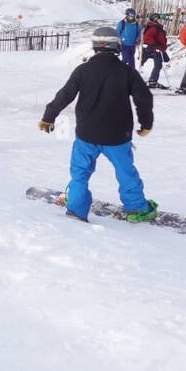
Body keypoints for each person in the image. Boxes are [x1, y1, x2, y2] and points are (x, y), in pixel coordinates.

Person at [37, 26, 156, 223]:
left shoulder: (83, 70)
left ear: (95, 46)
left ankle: (76, 208)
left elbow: (64, 95)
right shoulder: (126, 72)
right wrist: (146, 123)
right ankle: (136, 209)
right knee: (126, 172)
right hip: (117, 136)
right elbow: (144, 98)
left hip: (87, 134)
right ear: (117, 46)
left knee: (80, 174)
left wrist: (48, 117)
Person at [140, 13, 170, 89]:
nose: (161, 20)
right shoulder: (154, 28)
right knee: (158, 64)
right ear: (155, 19)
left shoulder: (156, 27)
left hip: (157, 48)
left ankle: (152, 80)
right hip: (155, 48)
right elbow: (147, 38)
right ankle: (152, 81)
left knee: (159, 63)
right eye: (159, 18)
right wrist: (156, 46)